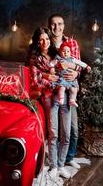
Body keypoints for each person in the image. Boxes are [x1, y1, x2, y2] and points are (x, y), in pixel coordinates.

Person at [28, 27, 72, 179]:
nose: (44, 42)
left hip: (64, 93)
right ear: (37, 42)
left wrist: (73, 73)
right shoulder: (34, 57)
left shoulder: (56, 53)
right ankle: (53, 166)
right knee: (53, 133)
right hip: (48, 96)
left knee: (66, 133)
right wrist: (46, 77)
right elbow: (34, 81)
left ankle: (61, 165)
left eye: (46, 39)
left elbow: (70, 64)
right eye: (40, 39)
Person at [48, 13, 82, 169]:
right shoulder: (47, 44)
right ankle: (53, 161)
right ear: (50, 26)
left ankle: (68, 157)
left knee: (73, 129)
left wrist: (76, 72)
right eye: (54, 24)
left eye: (60, 23)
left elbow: (77, 65)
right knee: (54, 130)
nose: (57, 27)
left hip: (69, 89)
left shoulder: (72, 43)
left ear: (64, 25)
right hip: (53, 90)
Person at [50, 40, 91, 107]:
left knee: (74, 89)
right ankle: (61, 98)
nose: (66, 53)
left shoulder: (72, 59)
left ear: (70, 52)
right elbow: (51, 63)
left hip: (71, 79)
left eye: (68, 51)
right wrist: (51, 68)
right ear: (60, 52)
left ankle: (72, 100)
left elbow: (80, 63)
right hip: (62, 78)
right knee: (61, 87)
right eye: (64, 51)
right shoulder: (58, 59)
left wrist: (86, 66)